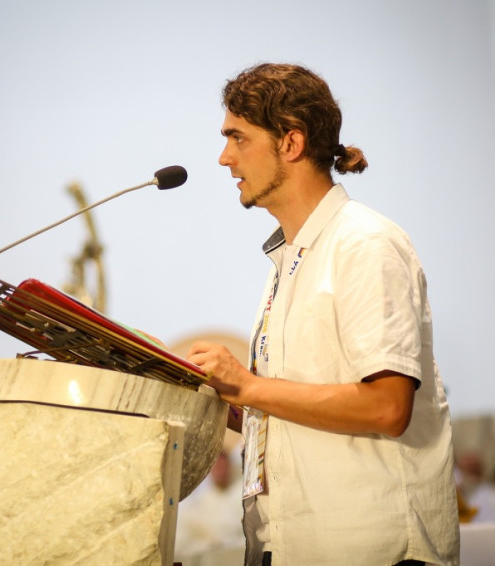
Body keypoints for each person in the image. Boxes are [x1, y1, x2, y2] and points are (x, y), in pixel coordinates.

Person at [187, 63, 459, 565]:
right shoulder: (290, 260)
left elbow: (387, 407)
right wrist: (220, 397)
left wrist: (247, 386)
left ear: (291, 142)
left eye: (238, 138)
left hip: (369, 548)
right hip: (292, 544)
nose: (225, 157)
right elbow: (299, 403)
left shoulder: (363, 244)